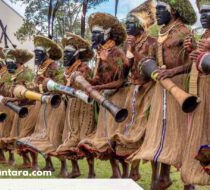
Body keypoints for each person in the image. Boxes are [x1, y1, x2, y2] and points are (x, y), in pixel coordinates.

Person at [130, 0, 197, 189]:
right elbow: (148, 60)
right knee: (163, 131)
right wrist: (135, 52)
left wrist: (172, 73)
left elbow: (194, 63)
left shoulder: (184, 32)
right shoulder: (159, 33)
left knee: (182, 133)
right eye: (156, 9)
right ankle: (164, 177)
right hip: (161, 88)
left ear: (173, 11)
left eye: (161, 9)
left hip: (179, 87)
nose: (156, 12)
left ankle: (189, 181)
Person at [78, 12, 129, 178]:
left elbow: (121, 77)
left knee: (117, 137)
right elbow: (99, 79)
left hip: (119, 97)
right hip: (105, 99)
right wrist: (88, 81)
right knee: (105, 136)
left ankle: (127, 172)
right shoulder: (100, 54)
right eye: (92, 33)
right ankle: (115, 172)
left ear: (106, 34)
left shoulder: (117, 52)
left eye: (96, 33)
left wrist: (108, 60)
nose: (93, 36)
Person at [111, 0, 156, 180]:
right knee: (127, 129)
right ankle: (131, 172)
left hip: (148, 91)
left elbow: (149, 68)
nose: (127, 26)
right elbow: (125, 69)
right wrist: (127, 51)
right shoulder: (128, 44)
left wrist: (134, 50)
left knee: (142, 130)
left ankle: (153, 175)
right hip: (132, 91)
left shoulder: (152, 43)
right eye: (126, 23)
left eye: (130, 23)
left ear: (141, 24)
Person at [16, 35, 66, 173]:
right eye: (35, 53)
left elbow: (59, 85)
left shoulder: (53, 66)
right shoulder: (39, 68)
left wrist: (44, 83)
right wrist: (24, 92)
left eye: (39, 53)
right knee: (40, 135)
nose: (36, 56)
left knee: (54, 136)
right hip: (41, 104)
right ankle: (48, 164)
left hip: (54, 104)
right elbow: (37, 87)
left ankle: (64, 167)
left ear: (46, 54)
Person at [51, 32, 95, 178]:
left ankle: (91, 172)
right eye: (64, 53)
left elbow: (86, 88)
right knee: (68, 136)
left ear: (77, 55)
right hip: (71, 107)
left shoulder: (84, 69)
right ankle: (74, 169)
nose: (65, 56)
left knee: (84, 138)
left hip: (84, 107)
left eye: (68, 53)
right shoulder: (66, 72)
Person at [180, 0, 210, 189]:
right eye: (202, 13)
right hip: (201, 90)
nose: (204, 16)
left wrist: (201, 57)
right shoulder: (204, 35)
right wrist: (193, 53)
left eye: (208, 12)